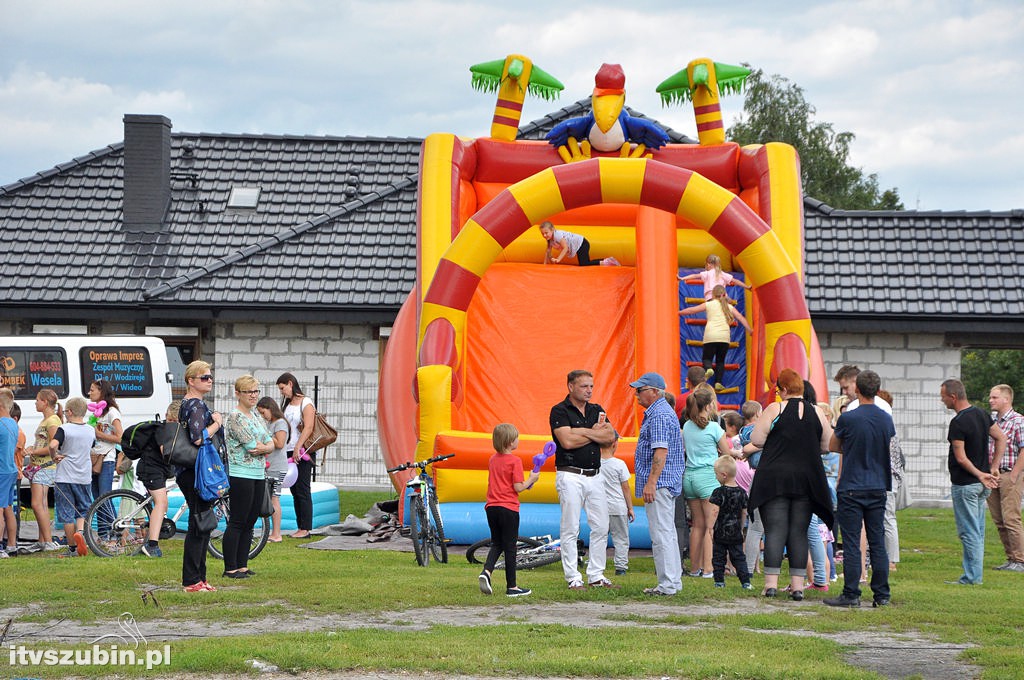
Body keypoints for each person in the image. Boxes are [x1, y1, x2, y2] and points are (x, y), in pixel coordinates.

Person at [746, 369, 833, 601]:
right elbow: (827, 443)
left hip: (775, 477)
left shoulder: (776, 409)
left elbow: (756, 439)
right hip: (806, 479)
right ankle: (797, 587)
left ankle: (771, 585)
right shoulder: (817, 412)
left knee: (775, 530)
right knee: (799, 531)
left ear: (783, 390)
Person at [824, 370, 895, 608]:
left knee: (852, 541)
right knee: (877, 540)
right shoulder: (886, 418)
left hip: (852, 485)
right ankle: (882, 594)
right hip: (878, 485)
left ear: (857, 389)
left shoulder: (849, 418)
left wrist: (852, 448)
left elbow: (834, 445)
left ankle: (851, 593)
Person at [549, 369, 617, 590]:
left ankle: (596, 574)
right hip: (570, 474)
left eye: (591, 386)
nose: (589, 390)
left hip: (595, 474)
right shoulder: (559, 411)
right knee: (570, 526)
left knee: (601, 525)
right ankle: (573, 577)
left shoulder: (597, 410)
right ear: (570, 387)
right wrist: (592, 432)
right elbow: (566, 441)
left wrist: (581, 432)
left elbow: (609, 437)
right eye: (584, 386)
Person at [940, 379, 1004, 586]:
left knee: (968, 531)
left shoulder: (958, 422)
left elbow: (961, 458)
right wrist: (993, 467)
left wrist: (979, 474)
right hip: (981, 484)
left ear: (953, 397)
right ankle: (974, 575)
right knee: (977, 530)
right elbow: (1001, 438)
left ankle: (972, 578)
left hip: (966, 484)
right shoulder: (981, 414)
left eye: (943, 397)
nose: (942, 401)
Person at [631, 372, 685, 596]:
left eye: (640, 390)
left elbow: (660, 451)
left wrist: (651, 482)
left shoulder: (659, 415)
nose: (636, 395)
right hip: (665, 482)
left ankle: (667, 584)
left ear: (654, 391)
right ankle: (672, 581)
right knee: (667, 532)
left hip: (660, 483)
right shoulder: (662, 412)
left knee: (661, 533)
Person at [478, 423, 539, 598]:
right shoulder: (515, 461)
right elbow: (518, 487)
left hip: (492, 507)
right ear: (510, 441)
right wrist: (532, 479)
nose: (518, 440)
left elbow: (504, 482)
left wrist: (527, 484)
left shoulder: (492, 459)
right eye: (517, 437)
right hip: (509, 508)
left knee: (497, 543)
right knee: (510, 547)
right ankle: (512, 587)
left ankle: (487, 572)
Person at [179, 360, 224, 592]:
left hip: (192, 471)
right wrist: (217, 423)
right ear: (191, 381)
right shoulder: (195, 405)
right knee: (199, 524)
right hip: (196, 472)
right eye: (204, 377)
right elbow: (198, 437)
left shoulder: (188, 403)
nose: (210, 380)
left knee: (202, 524)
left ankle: (200, 577)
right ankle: (192, 580)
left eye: (210, 377)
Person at [682, 385, 734, 578]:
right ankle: (708, 568)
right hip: (707, 476)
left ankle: (695, 568)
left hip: (690, 476)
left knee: (697, 525)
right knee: (711, 526)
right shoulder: (714, 427)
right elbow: (726, 454)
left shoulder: (687, 426)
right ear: (710, 404)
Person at [223, 375, 272, 579]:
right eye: (248, 392)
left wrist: (266, 447)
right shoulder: (236, 417)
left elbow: (271, 442)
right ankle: (230, 567)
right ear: (238, 394)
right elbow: (252, 446)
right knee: (238, 520)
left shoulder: (255, 416)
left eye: (255, 391)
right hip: (240, 473)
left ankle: (242, 564)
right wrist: (265, 447)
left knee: (251, 519)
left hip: (258, 473)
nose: (253, 396)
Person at [679, 285, 753, 388]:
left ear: (713, 294)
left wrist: (680, 312)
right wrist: (750, 330)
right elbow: (740, 317)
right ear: (724, 294)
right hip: (724, 337)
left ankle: (709, 368)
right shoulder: (729, 306)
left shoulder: (709, 304)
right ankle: (718, 382)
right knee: (720, 361)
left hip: (711, 335)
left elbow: (692, 310)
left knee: (707, 358)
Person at [985, 384, 1024, 572]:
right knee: (999, 520)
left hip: (1009, 473)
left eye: (994, 397)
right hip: (993, 474)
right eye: (991, 397)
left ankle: (1020, 559)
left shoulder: (1018, 421)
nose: (990, 400)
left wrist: (1015, 474)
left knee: (1011, 518)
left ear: (1006, 399)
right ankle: (1011, 558)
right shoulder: (992, 421)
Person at [49, 396, 92, 558]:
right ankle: (80, 532)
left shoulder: (64, 429)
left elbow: (53, 444)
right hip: (83, 476)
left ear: (71, 412)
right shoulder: (90, 430)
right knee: (82, 509)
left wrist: (54, 455)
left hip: (65, 476)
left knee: (66, 513)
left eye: (66, 411)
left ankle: (72, 548)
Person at [135, 401, 179, 558]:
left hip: (161, 470)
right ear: (166, 416)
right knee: (161, 502)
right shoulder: (161, 429)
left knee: (163, 503)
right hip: (150, 469)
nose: (172, 424)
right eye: (171, 420)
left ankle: (156, 526)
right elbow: (165, 452)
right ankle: (151, 545)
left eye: (176, 422)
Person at [276, 373, 316, 539]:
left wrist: (298, 447)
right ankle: (300, 526)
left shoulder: (306, 403)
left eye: (282, 388)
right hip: (288, 450)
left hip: (302, 451)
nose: (282, 392)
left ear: (290, 384)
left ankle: (305, 528)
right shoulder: (287, 405)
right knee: (294, 489)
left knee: (302, 489)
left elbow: (308, 427)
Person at [23, 389, 63, 551]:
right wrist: (33, 447)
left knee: (37, 503)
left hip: (45, 466)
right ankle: (42, 539)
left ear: (45, 402)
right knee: (43, 504)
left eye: (38, 400)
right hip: (39, 465)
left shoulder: (53, 421)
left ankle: (48, 540)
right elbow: (43, 442)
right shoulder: (46, 420)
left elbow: (53, 445)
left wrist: (33, 452)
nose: (35, 402)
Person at [709, 455, 752, 589]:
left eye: (716, 474)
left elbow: (715, 511)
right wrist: (741, 526)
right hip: (735, 530)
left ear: (723, 475)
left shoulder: (718, 492)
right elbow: (744, 511)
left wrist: (710, 527)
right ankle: (745, 582)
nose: (716, 477)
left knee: (718, 557)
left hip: (721, 530)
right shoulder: (742, 492)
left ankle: (719, 581)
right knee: (739, 557)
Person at [87, 380, 123, 539]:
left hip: (106, 458)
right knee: (97, 498)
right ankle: (103, 534)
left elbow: (120, 437)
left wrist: (99, 434)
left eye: (92, 390)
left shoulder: (112, 412)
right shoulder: (96, 413)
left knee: (104, 496)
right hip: (94, 457)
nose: (89, 393)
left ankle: (115, 532)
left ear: (102, 392)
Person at [876, 389, 904, 572]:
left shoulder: (886, 426)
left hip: (886, 477)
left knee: (888, 518)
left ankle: (892, 560)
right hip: (887, 477)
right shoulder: (887, 424)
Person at [257, 396, 290, 543]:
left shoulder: (280, 423)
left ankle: (277, 534)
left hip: (277, 467)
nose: (263, 416)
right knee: (270, 498)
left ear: (270, 409)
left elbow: (280, 443)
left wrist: (265, 438)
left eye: (263, 412)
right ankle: (273, 532)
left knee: (274, 498)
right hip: (270, 466)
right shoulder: (270, 424)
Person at [599, 433, 633, 576]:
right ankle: (620, 567)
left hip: (600, 507)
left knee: (600, 537)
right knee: (621, 538)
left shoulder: (595, 463)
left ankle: (598, 564)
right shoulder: (619, 464)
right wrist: (630, 507)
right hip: (618, 507)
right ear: (614, 444)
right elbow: (625, 488)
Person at [680, 254, 752, 300]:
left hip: (711, 297)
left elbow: (695, 276)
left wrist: (682, 278)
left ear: (708, 265)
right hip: (722, 297)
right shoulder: (722, 274)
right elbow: (736, 281)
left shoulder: (707, 273)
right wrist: (747, 287)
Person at [0, 389, 19, 558]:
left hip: (1, 470)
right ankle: (11, 544)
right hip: (11, 468)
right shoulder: (13, 423)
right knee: (8, 508)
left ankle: (0, 547)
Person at [540, 221, 606, 266]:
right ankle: (605, 261)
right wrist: (544, 264)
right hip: (579, 244)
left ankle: (605, 262)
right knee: (584, 262)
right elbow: (548, 251)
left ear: (552, 230)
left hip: (582, 243)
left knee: (584, 263)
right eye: (543, 234)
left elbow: (565, 248)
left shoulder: (557, 235)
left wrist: (558, 259)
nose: (544, 235)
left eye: (546, 233)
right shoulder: (550, 240)